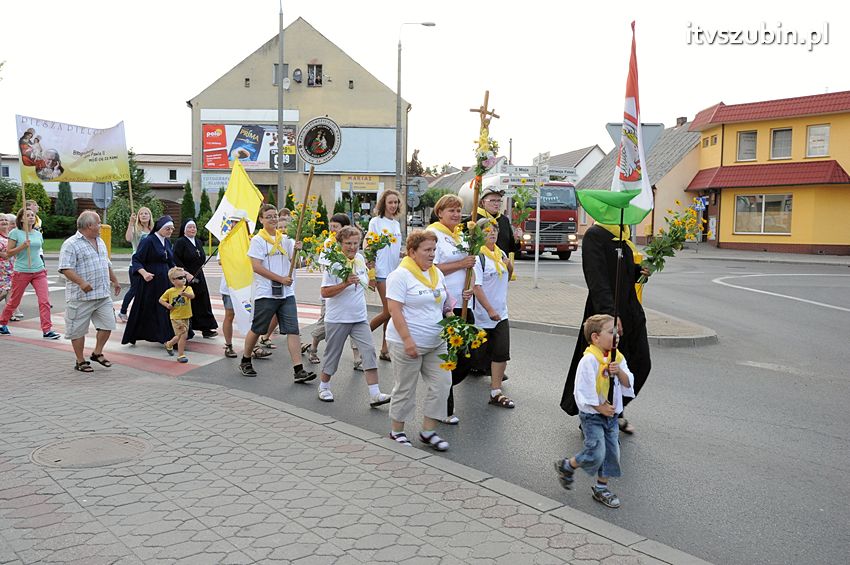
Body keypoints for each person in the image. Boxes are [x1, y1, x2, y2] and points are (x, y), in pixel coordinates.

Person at [560, 223, 651, 434]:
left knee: (640, 363)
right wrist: (610, 314)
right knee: (601, 369)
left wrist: (640, 271)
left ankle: (616, 409)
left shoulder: (623, 236)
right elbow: (596, 279)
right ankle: (594, 417)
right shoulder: (595, 235)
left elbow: (624, 274)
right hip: (606, 315)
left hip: (631, 312)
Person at [386, 230, 465, 451]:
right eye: (427, 250)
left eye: (434, 250)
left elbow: (443, 301)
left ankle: (428, 431)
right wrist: (408, 339)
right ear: (412, 252)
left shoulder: (435, 273)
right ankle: (397, 431)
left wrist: (452, 320)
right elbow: (395, 311)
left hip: (436, 341)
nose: (432, 255)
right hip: (406, 343)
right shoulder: (400, 276)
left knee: (442, 384)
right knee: (405, 388)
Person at [554, 314, 635, 509]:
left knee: (612, 453)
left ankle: (601, 488)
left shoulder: (618, 358)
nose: (616, 336)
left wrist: (620, 372)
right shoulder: (589, 361)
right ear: (596, 337)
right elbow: (582, 390)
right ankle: (568, 465)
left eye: (617, 333)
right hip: (593, 416)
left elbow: (628, 383)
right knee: (596, 452)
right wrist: (599, 407)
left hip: (611, 416)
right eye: (611, 332)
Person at [238, 204, 315, 383]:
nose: (273, 219)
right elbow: (256, 267)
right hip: (266, 293)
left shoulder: (286, 240)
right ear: (261, 220)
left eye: (275, 216)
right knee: (258, 328)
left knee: (293, 330)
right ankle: (246, 359)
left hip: (286, 293)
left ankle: (298, 370)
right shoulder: (257, 241)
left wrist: (298, 250)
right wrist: (280, 279)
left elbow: (294, 264)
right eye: (269, 216)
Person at [316, 226, 391, 407]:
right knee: (333, 354)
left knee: (369, 352)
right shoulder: (334, 263)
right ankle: (324, 386)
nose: (352, 247)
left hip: (359, 317)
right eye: (348, 243)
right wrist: (345, 283)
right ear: (340, 243)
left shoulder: (359, 259)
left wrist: (371, 274)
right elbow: (325, 292)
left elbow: (367, 284)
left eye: (355, 243)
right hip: (338, 318)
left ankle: (375, 393)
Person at [428, 194, 477, 425]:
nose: (456, 215)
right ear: (440, 213)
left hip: (464, 303)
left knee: (466, 356)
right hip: (445, 307)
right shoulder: (434, 235)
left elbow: (471, 266)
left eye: (459, 210)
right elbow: (432, 268)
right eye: (451, 211)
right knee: (448, 357)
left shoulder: (461, 237)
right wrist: (460, 264)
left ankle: (439, 387)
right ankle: (444, 408)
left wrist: (470, 288)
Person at [57, 211, 122, 372]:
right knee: (77, 330)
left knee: (108, 324)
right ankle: (80, 361)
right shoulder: (71, 244)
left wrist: (114, 280)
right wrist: (81, 282)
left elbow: (106, 263)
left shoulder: (99, 241)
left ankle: (97, 352)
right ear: (89, 226)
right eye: (98, 223)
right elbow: (65, 268)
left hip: (102, 294)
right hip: (81, 297)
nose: (101, 226)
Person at [302, 213, 361, 369]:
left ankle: (357, 358)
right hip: (334, 294)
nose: (332, 230)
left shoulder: (353, 245)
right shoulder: (329, 243)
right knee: (324, 325)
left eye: (336, 227)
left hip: (352, 297)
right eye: (331, 226)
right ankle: (313, 348)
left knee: (356, 323)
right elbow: (325, 264)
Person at [471, 218, 515, 408]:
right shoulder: (477, 257)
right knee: (475, 358)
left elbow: (508, 275)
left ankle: (496, 392)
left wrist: (509, 264)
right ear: (479, 234)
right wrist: (489, 310)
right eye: (487, 230)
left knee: (501, 353)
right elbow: (476, 287)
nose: (492, 233)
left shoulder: (501, 253)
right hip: (482, 316)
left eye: (495, 229)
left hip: (501, 313)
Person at [0, 208, 59, 338]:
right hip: (22, 271)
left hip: (38, 271)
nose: (31, 217)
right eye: (27, 215)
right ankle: (2, 323)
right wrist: (22, 247)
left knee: (44, 301)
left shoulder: (38, 234)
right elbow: (9, 253)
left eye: (33, 215)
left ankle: (47, 330)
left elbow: (38, 251)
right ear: (21, 219)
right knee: (14, 301)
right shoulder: (15, 233)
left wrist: (43, 267)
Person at [122, 215, 177, 345]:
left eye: (172, 229)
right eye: (168, 228)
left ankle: (166, 336)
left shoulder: (167, 241)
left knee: (164, 307)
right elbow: (136, 259)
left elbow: (170, 261)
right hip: (151, 281)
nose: (170, 231)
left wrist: (178, 272)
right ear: (160, 228)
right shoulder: (149, 241)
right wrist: (144, 273)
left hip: (165, 280)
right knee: (145, 309)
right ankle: (136, 334)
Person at [367, 189, 403, 361]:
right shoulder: (376, 222)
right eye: (390, 202)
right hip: (381, 272)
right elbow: (369, 248)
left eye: (396, 202)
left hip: (394, 273)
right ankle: (362, 335)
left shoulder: (396, 224)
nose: (393, 205)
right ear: (384, 204)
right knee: (389, 311)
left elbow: (394, 249)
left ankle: (384, 349)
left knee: (388, 312)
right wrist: (371, 274)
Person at [173, 218, 218, 338]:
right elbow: (176, 259)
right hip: (186, 276)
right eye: (190, 227)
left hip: (199, 275)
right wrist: (186, 274)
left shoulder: (197, 241)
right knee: (189, 301)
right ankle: (188, 328)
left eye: (194, 227)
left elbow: (201, 257)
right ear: (184, 230)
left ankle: (206, 328)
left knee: (202, 300)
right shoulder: (180, 242)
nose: (193, 229)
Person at [118, 207, 153, 322]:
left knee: (148, 291)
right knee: (135, 289)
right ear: (138, 216)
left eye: (146, 213)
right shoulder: (136, 229)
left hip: (149, 264)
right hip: (136, 264)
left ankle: (144, 314)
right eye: (141, 213)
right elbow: (128, 238)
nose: (143, 215)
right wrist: (131, 223)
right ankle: (123, 311)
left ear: (150, 216)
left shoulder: (153, 230)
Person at [159, 266, 195, 364]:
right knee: (183, 335)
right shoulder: (170, 291)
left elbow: (192, 296)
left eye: (184, 277)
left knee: (180, 335)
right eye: (180, 278)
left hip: (186, 315)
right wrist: (167, 305)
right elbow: (161, 300)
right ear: (173, 281)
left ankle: (169, 344)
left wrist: (185, 294)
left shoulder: (188, 288)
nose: (183, 279)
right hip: (176, 317)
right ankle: (181, 355)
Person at [0, 213, 24, 323]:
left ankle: (11, 313)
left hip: (12, 267)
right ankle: (12, 312)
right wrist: (19, 249)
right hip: (2, 269)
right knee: (6, 291)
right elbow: (5, 254)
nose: (4, 222)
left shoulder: (10, 235)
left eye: (5, 220)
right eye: (1, 220)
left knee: (10, 290)